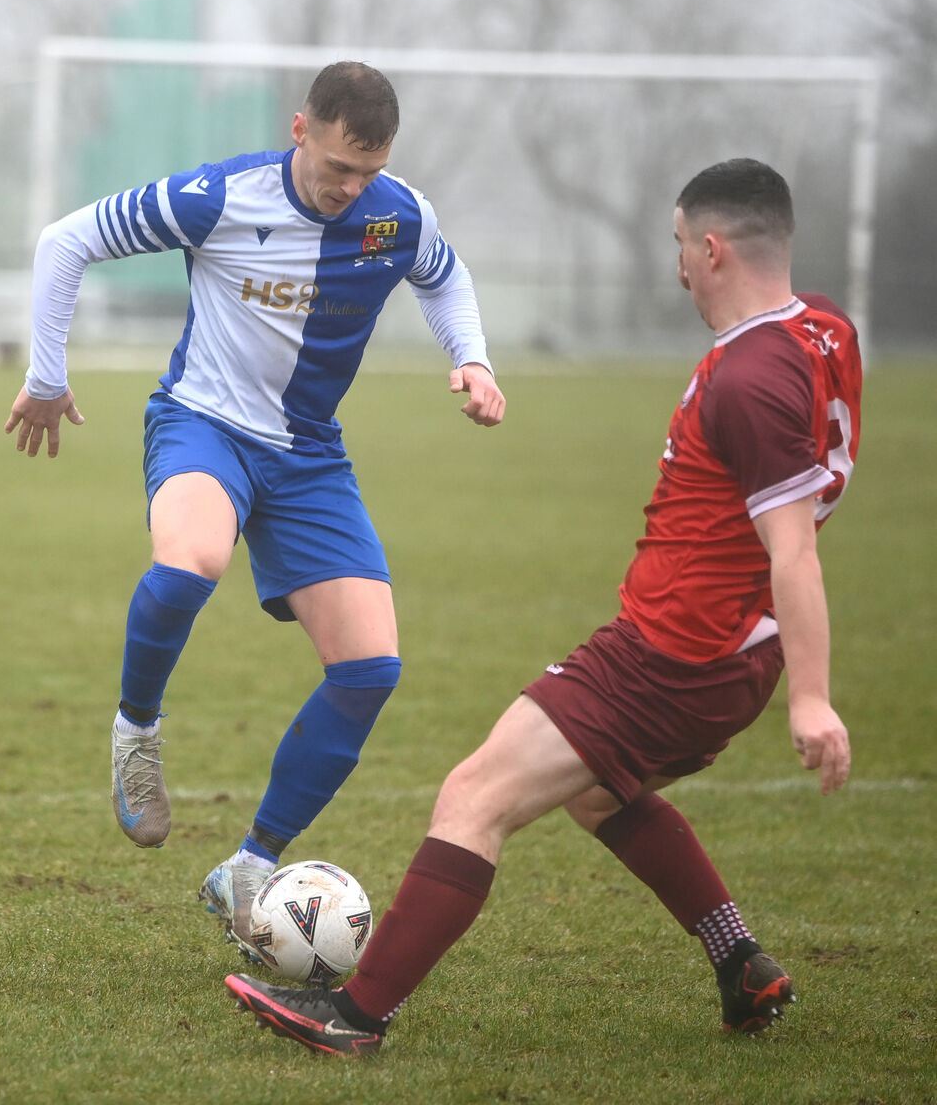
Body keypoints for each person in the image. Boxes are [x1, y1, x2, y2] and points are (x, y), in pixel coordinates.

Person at [224, 157, 861, 1055]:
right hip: (733, 647)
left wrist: (814, 698)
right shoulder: (826, 331)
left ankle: (356, 1017)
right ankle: (740, 963)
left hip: (675, 651)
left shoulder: (747, 379)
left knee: (473, 796)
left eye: (681, 245)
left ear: (712, 248)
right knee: (602, 796)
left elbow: (792, 545)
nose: (678, 265)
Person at [4, 61, 506, 957]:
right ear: (300, 127)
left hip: (309, 454)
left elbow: (446, 275)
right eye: (339, 167)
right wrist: (46, 376)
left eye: (369, 171)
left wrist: (473, 358)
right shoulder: (218, 197)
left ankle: (249, 863)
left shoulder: (397, 213)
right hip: (203, 426)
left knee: (370, 668)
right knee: (191, 561)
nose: (351, 190)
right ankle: (137, 732)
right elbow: (63, 241)